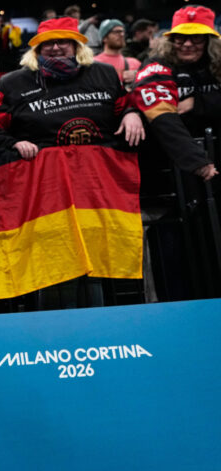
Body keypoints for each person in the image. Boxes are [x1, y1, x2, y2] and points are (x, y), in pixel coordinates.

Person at [0, 16, 145, 310]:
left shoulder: (106, 74)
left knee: (103, 265)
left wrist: (132, 113)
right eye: (48, 44)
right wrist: (12, 143)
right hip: (46, 196)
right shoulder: (12, 83)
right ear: (37, 49)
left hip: (99, 193)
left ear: (76, 45)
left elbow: (126, 105)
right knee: (54, 267)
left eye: (63, 42)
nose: (56, 48)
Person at [130, 5, 220, 301]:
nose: (187, 44)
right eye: (180, 37)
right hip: (173, 186)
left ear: (210, 40)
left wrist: (201, 103)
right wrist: (198, 162)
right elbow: (163, 120)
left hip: (213, 179)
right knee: (176, 263)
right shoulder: (156, 67)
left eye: (197, 38)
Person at [94, 19, 141, 89]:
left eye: (122, 31)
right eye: (116, 32)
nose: (122, 35)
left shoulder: (135, 63)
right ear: (104, 38)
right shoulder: (93, 63)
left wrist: (139, 76)